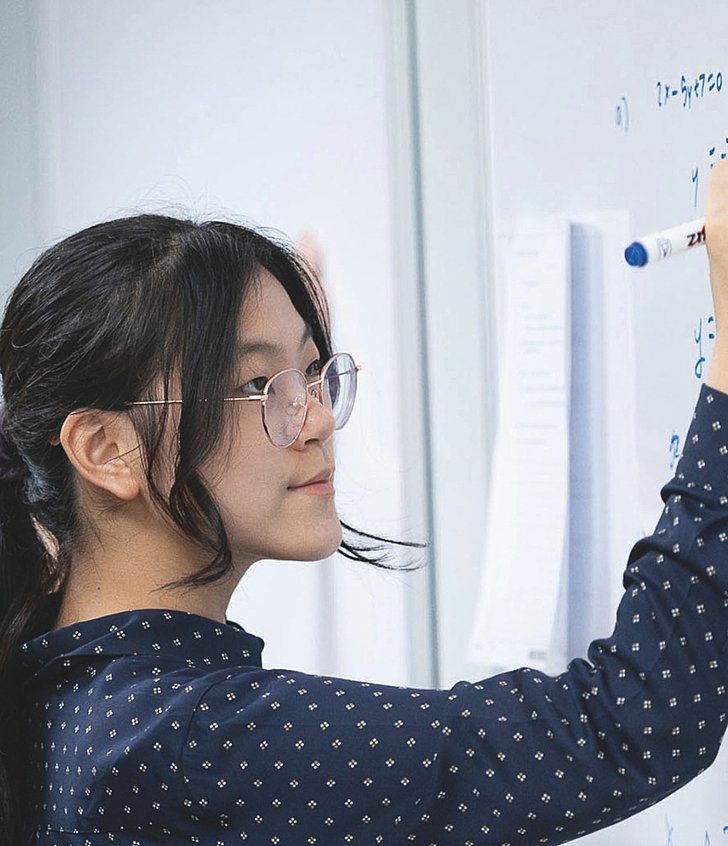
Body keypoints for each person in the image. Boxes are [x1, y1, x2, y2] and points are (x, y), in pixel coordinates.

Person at [3, 164, 728, 846]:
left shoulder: (72, 699)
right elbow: (632, 722)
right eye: (261, 387)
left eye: (314, 373)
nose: (314, 418)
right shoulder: (181, 741)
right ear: (107, 450)